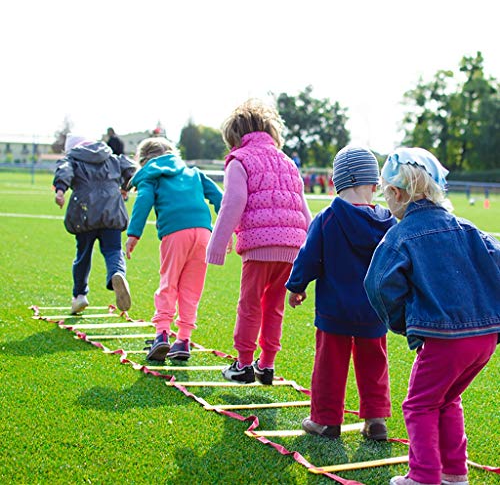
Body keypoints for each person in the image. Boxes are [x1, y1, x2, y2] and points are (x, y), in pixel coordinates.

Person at [364, 147, 500, 485]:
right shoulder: (468, 229)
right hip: (484, 339)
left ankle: (424, 477)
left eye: (386, 193)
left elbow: (378, 285)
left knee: (419, 404)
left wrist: (402, 321)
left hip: (445, 340)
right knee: (448, 399)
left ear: (396, 194)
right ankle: (454, 474)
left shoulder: (400, 235)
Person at [286, 145, 397, 440]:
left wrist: (296, 286)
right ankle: (376, 420)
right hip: (375, 310)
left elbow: (308, 257)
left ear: (336, 182)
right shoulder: (390, 222)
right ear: (374, 184)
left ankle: (326, 420)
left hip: (334, 309)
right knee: (374, 363)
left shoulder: (327, 218)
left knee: (329, 365)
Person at [206, 99, 312, 385]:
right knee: (274, 306)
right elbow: (304, 209)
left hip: (259, 245)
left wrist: (218, 242)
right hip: (292, 247)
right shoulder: (288, 162)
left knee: (249, 304)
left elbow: (234, 201)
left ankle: (242, 364)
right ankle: (266, 365)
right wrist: (312, 251)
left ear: (235, 136)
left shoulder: (239, 160)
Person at [125, 137, 223, 361]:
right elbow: (220, 198)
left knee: (168, 282)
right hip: (203, 233)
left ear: (143, 160)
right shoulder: (194, 173)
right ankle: (183, 340)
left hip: (175, 233)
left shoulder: (152, 175)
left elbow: (144, 200)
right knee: (191, 288)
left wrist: (133, 234)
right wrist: (227, 230)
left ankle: (161, 335)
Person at [53, 134, 136, 314]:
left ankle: (80, 295)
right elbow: (130, 168)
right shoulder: (110, 156)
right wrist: (125, 187)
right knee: (113, 250)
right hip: (112, 210)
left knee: (83, 254)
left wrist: (60, 190)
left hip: (84, 212)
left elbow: (64, 171)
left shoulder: (72, 159)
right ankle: (117, 273)